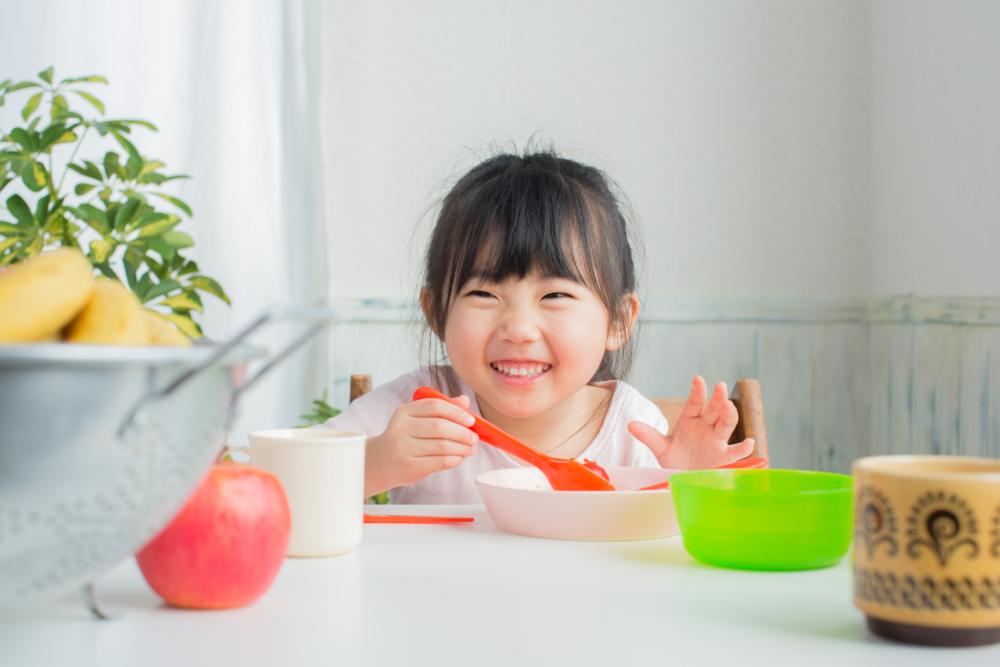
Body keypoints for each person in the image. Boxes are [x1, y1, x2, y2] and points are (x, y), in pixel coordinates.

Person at [322, 149, 753, 503]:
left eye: (555, 296)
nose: (519, 329)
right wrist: (376, 461)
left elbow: (667, 572)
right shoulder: (418, 407)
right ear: (437, 313)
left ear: (618, 321)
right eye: (484, 295)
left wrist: (686, 487)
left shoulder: (633, 429)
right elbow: (277, 482)